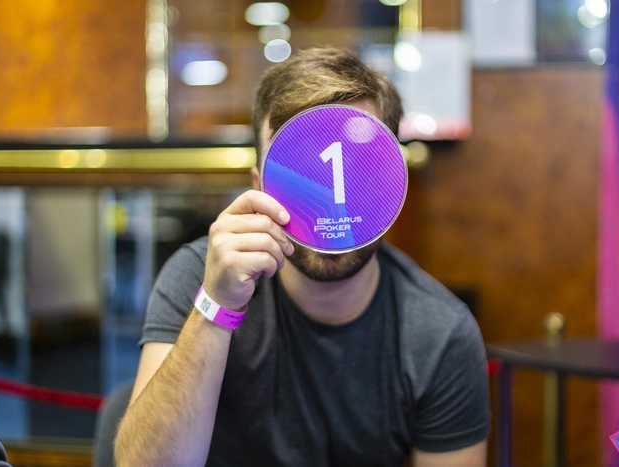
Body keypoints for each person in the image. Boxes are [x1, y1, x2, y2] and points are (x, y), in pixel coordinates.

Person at [114, 47, 490, 467]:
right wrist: (216, 306)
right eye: (297, 168)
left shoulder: (440, 333)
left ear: (391, 182)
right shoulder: (201, 278)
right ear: (259, 185)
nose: (328, 199)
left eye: (359, 167)